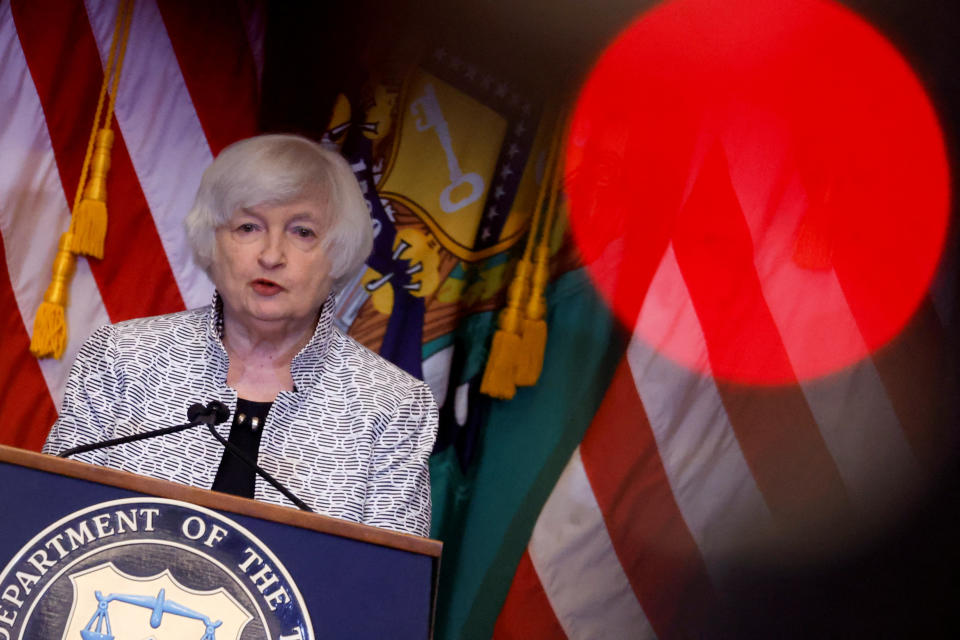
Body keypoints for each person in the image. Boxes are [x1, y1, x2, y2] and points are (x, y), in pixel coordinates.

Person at [43, 134, 438, 537]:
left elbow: (390, 583)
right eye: (248, 226)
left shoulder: (394, 405)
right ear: (212, 242)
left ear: (338, 253)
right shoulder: (123, 356)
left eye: (302, 232)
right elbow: (49, 516)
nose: (271, 255)